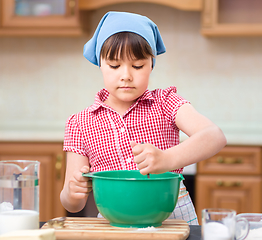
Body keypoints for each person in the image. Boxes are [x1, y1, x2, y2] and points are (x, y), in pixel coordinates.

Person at [60, 11, 227, 225]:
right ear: (100, 64)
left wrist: (166, 159)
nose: (126, 75)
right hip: (115, 222)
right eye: (114, 65)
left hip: (173, 220)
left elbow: (214, 136)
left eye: (137, 66)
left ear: (151, 65)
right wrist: (73, 192)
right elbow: (71, 204)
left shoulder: (166, 102)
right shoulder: (80, 123)